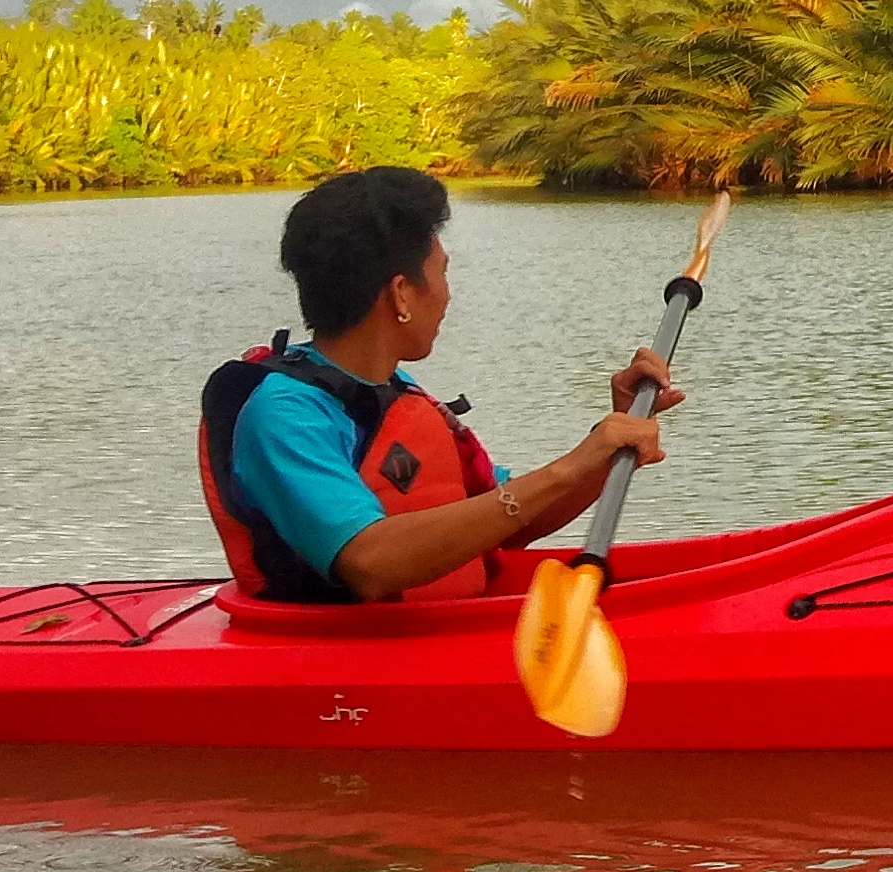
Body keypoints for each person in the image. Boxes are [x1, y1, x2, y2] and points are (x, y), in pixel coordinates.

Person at [196, 165, 677, 605]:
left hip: (438, 637)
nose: (447, 295)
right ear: (402, 292)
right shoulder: (285, 415)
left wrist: (617, 434)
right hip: (343, 671)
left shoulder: (390, 387)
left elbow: (510, 520)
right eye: (442, 273)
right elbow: (370, 562)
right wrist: (572, 466)